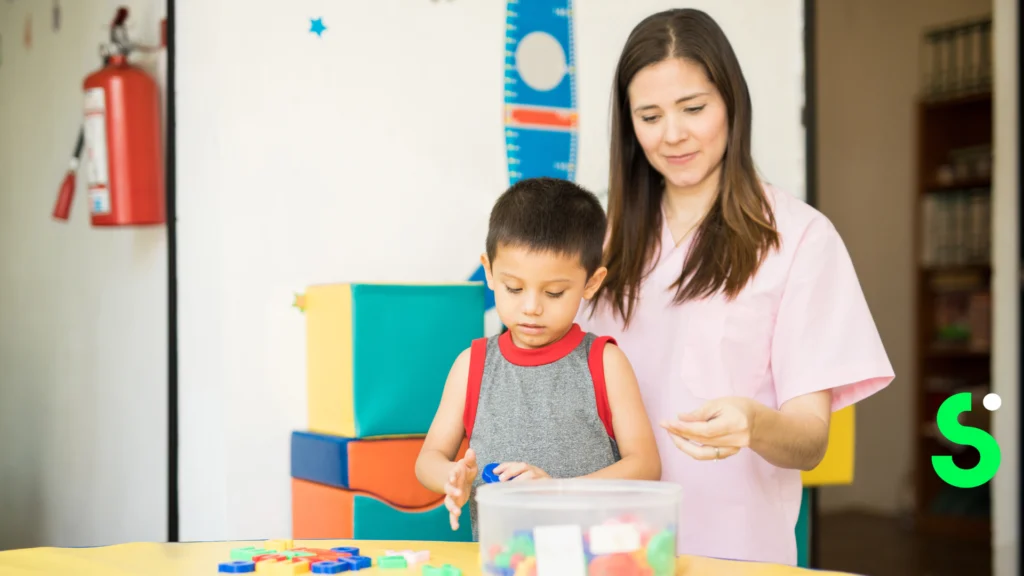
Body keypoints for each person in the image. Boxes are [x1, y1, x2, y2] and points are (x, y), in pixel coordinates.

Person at [576, 8, 895, 566]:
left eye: (694, 108)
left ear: (731, 103)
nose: (673, 134)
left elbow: (809, 442)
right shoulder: (597, 242)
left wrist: (754, 423)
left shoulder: (799, 239)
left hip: (738, 555)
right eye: (649, 116)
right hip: (608, 550)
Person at [415, 177, 662, 537]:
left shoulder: (605, 363)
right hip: (503, 560)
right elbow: (428, 459)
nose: (531, 308)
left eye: (555, 292)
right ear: (489, 272)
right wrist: (452, 477)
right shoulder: (472, 365)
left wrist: (558, 491)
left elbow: (646, 465)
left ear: (591, 283)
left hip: (594, 560)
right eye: (513, 288)